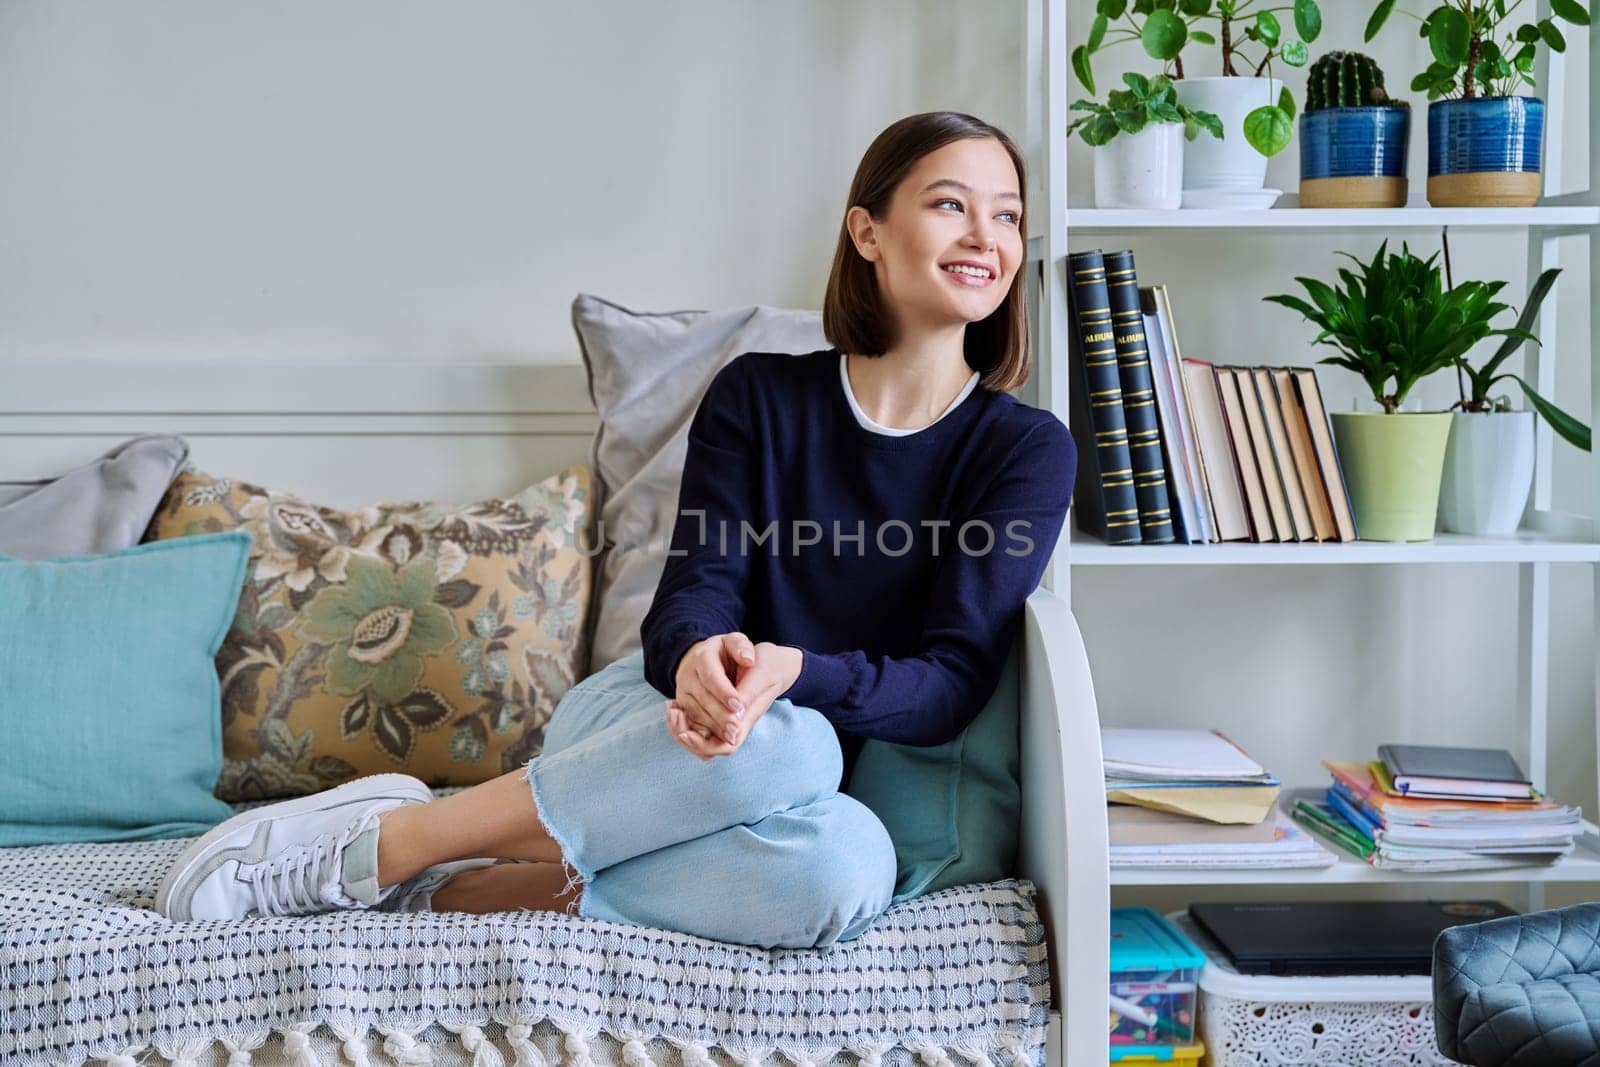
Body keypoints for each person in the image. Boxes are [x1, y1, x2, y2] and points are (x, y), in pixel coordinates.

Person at [154, 110, 1077, 951]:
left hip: (814, 799)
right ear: (867, 230)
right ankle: (379, 845)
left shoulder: (1025, 451)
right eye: (951, 204)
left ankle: (452, 888)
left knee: (838, 872)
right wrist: (701, 666)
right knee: (785, 742)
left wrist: (795, 673)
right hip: (653, 736)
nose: (983, 238)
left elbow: (952, 681)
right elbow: (694, 594)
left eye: (1006, 215)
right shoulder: (760, 396)